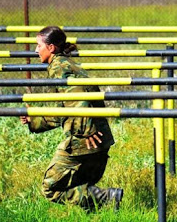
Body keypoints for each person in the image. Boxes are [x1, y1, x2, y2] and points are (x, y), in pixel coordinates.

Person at [20, 26, 123, 210]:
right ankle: (101, 218)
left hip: (85, 141)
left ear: (51, 48)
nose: (36, 50)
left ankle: (107, 197)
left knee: (50, 188)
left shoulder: (59, 67)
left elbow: (77, 98)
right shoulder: (67, 64)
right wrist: (34, 119)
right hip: (99, 139)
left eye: (38, 45)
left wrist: (86, 130)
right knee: (82, 192)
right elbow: (63, 111)